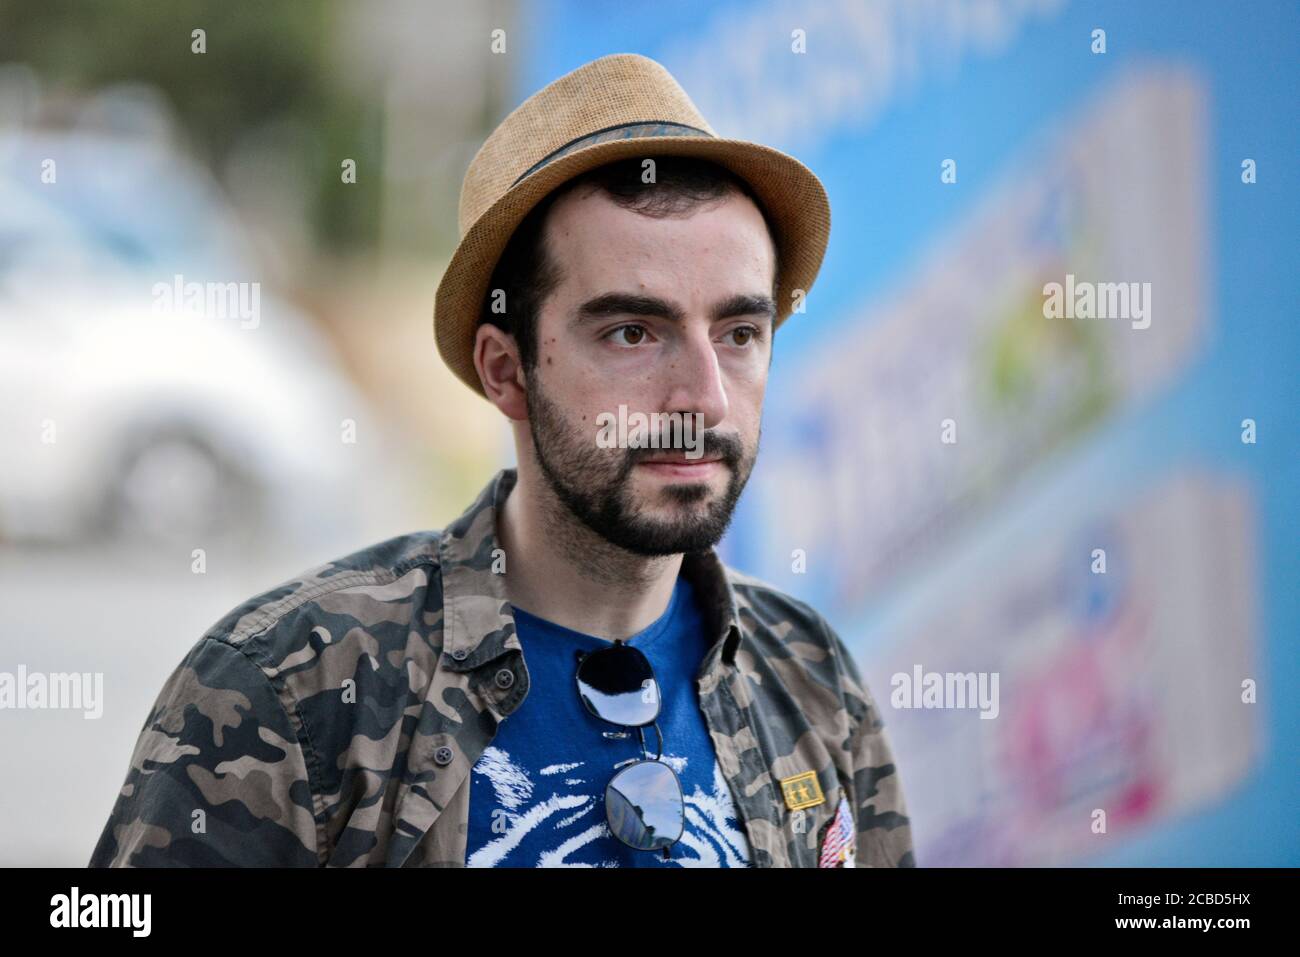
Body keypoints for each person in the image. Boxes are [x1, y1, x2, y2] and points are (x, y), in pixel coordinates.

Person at [89, 52, 914, 868]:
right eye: (633, 332)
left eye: (739, 334)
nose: (704, 399)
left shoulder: (810, 679)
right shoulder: (286, 690)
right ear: (505, 369)